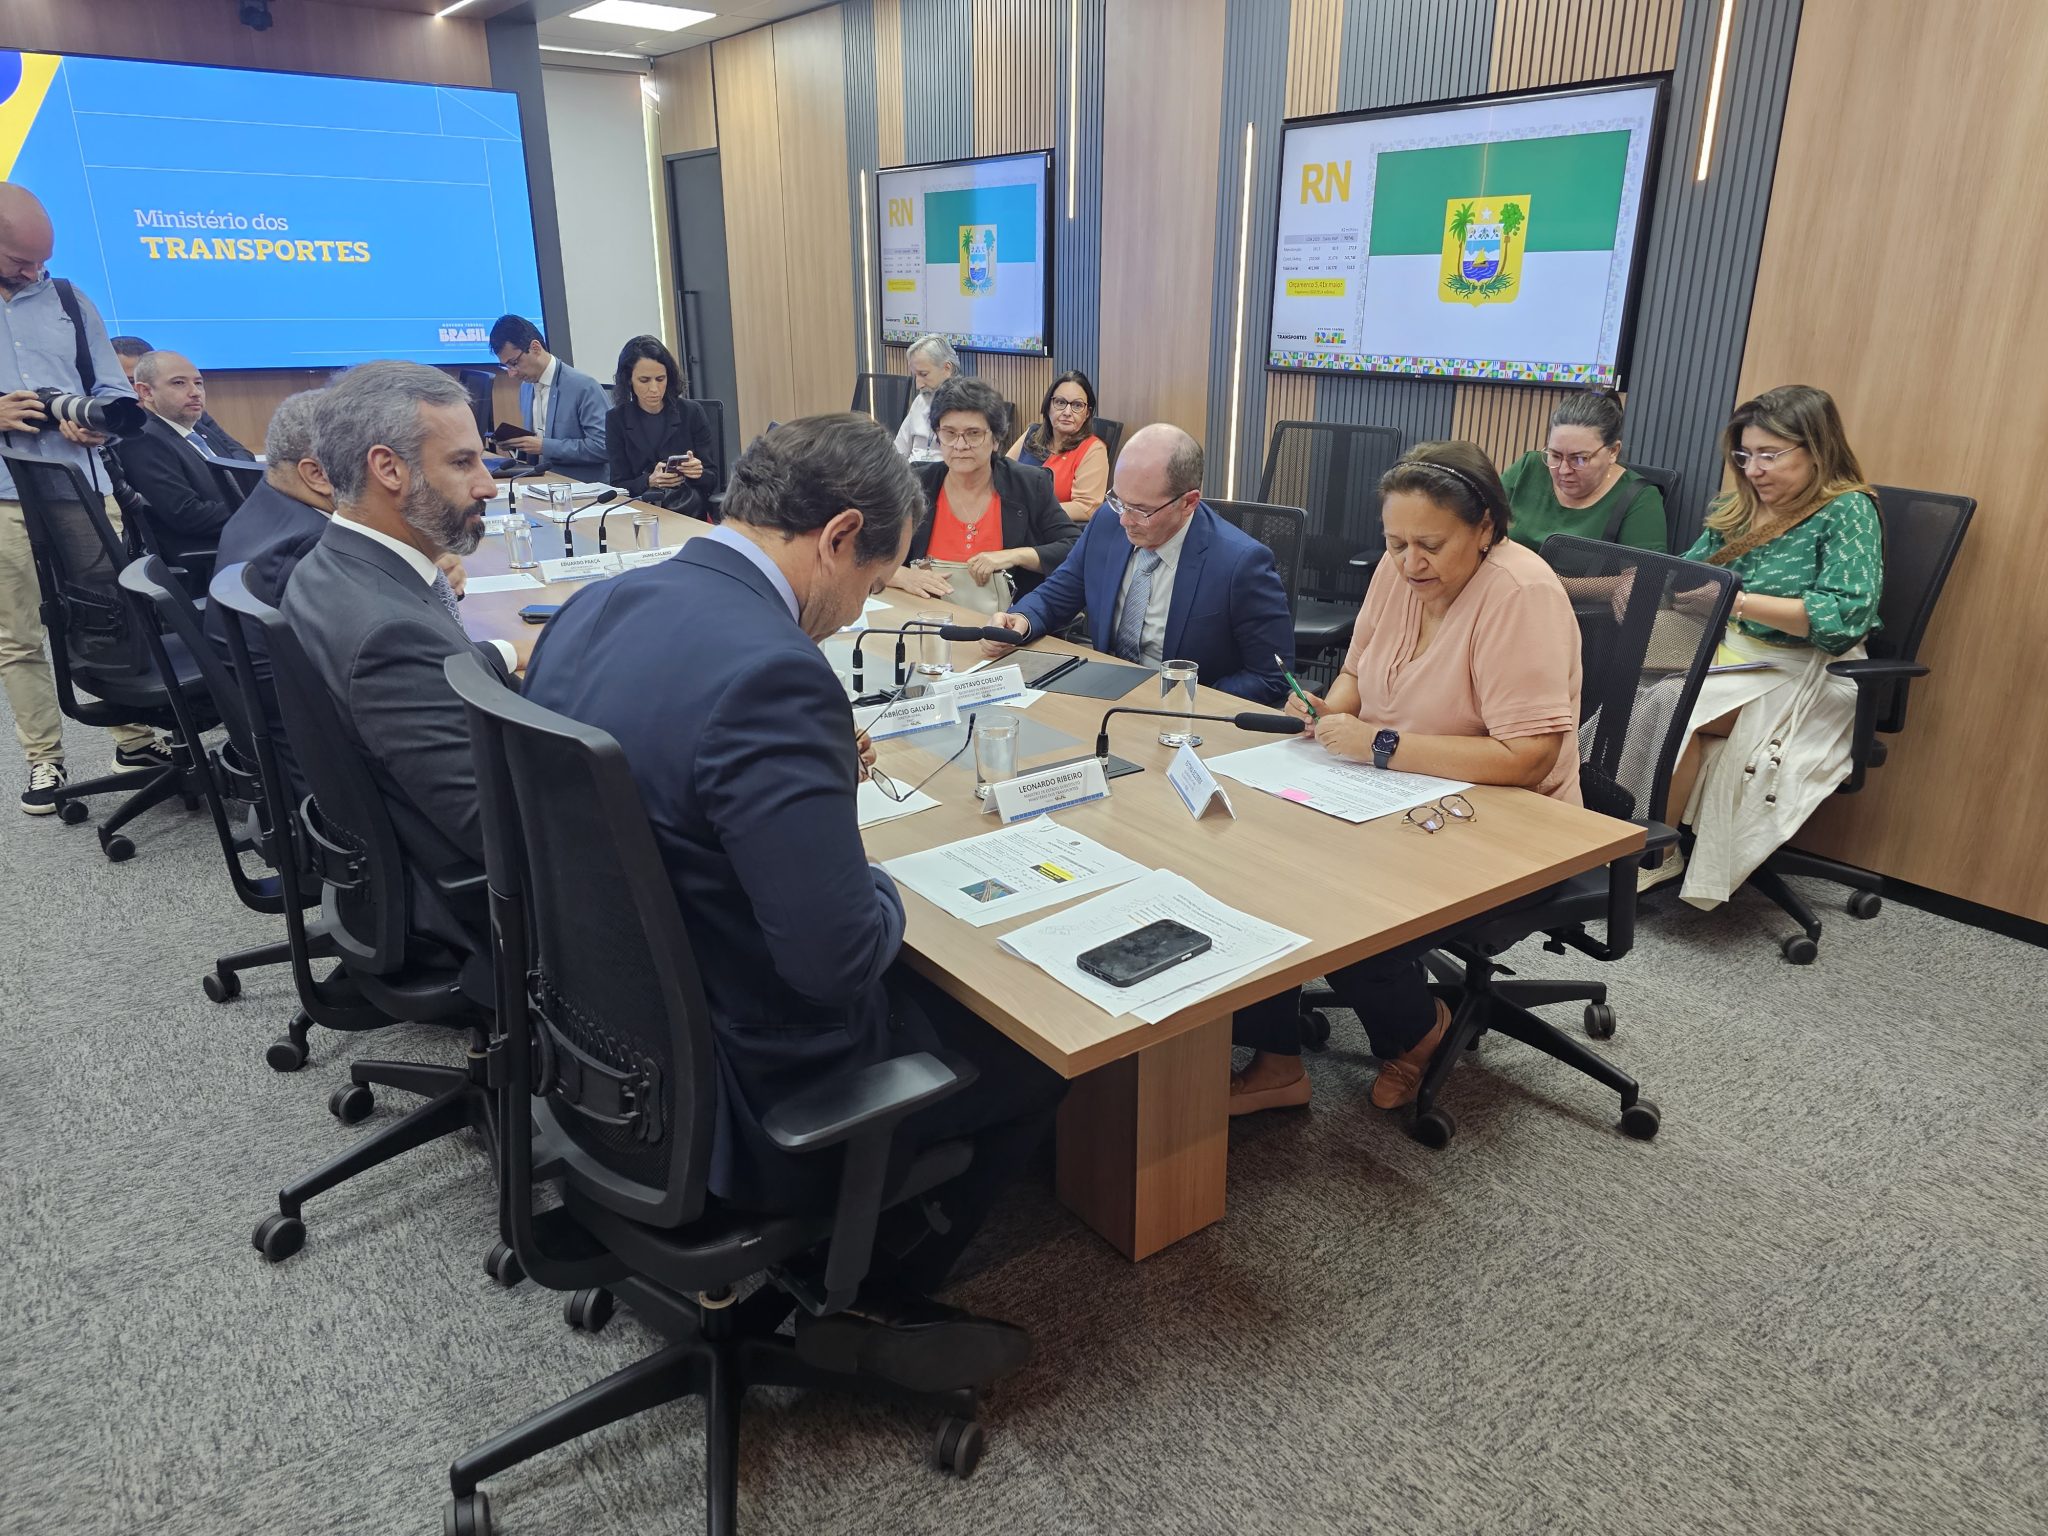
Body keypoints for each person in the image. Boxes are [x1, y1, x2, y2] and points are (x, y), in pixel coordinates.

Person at [524, 413, 1063, 1381]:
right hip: (746, 1096)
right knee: (1034, 1040)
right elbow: (834, 965)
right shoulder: (772, 672)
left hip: (600, 1051)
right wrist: (879, 878)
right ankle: (863, 1294)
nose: (854, 614)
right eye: (869, 583)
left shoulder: (597, 606)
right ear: (841, 536)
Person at [1228, 441, 1584, 1118]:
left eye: (1430, 545)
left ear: (1485, 529)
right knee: (1254, 854)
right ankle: (1275, 1061)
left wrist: (1382, 745)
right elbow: (1357, 671)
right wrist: (1331, 712)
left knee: (1350, 912)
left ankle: (1419, 1033)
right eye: (1396, 544)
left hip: (1509, 820)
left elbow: (1528, 758)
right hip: (1394, 786)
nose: (1410, 563)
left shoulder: (1521, 593)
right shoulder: (1399, 573)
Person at [281, 362, 532, 971]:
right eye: (463, 462)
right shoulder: (388, 633)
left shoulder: (330, 566)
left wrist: (506, 653)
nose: (488, 485)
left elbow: (430, 679)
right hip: (460, 900)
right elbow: (499, 833)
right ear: (388, 469)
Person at [1654, 385, 1883, 908]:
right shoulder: (1737, 507)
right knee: (1626, 696)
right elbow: (1691, 573)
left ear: (1816, 449)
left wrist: (1735, 601)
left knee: (1671, 709)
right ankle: (1619, 839)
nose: (1754, 470)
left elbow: (1844, 617)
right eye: (1745, 455)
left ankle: (1655, 857)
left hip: (1807, 668)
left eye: (1769, 455)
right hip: (1731, 653)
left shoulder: (1847, 510)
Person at [0, 182, 166, 812]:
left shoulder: (70, 299)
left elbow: (114, 393)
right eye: (20, 261)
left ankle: (135, 739)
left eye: (41, 260)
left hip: (80, 487)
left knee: (108, 617)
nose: (34, 272)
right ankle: (44, 759)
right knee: (18, 637)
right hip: (5, 499)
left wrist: (96, 424)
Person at [980, 423, 1292, 705]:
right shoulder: (1107, 521)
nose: (1125, 520)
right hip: (1106, 697)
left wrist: (1185, 699)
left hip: (1183, 716)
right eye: (1119, 500)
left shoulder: (1240, 564)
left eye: (1141, 510)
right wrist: (1020, 619)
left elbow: (1271, 677)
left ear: (1188, 502)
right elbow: (1058, 593)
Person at [886, 375, 1077, 612]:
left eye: (973, 433)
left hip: (1005, 624)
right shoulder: (917, 483)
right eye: (949, 433)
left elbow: (1074, 547)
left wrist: (1016, 556)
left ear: (995, 439)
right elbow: (865, 552)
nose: (960, 445)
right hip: (923, 620)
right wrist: (900, 575)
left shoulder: (1028, 485)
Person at [113, 351, 243, 591]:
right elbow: (188, 515)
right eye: (179, 383)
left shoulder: (196, 426)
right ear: (146, 392)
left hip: (236, 539)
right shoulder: (143, 439)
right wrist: (255, 510)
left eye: (199, 383)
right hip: (211, 558)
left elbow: (242, 459)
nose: (195, 392)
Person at [1500, 388, 1666, 554]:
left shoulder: (1639, 497)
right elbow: (1485, 521)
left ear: (1613, 451)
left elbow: (1643, 570)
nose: (1564, 470)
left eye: (1579, 459)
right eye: (1555, 455)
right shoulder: (1528, 467)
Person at [604, 334, 717, 519]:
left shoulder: (691, 412)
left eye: (660, 379)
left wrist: (698, 472)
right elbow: (618, 485)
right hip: (640, 513)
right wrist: (649, 481)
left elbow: (713, 479)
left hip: (687, 512)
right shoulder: (616, 419)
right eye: (644, 380)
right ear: (628, 380)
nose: (654, 389)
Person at [488, 314, 608, 480]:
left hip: (581, 486)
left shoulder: (584, 387)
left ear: (535, 348)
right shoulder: (526, 388)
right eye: (506, 366)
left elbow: (603, 447)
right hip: (540, 483)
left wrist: (544, 446)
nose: (511, 373)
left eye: (514, 363)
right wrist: (517, 444)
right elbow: (536, 448)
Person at [108, 335, 248, 457]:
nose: (137, 390)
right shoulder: (115, 426)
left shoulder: (187, 412)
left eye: (198, 383)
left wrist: (235, 474)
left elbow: (239, 452)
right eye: (130, 381)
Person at [1008, 369, 1108, 521]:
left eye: (1077, 405)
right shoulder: (1033, 434)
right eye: (1060, 402)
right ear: (1048, 406)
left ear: (1087, 413)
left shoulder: (1093, 449)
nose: (1067, 412)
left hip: (1051, 528)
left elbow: (1086, 508)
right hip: (1014, 520)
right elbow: (1002, 472)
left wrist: (1033, 510)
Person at [892, 334, 957, 463]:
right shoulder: (920, 401)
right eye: (916, 375)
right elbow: (898, 451)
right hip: (910, 472)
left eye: (923, 374)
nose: (918, 385)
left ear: (947, 369)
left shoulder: (966, 408)